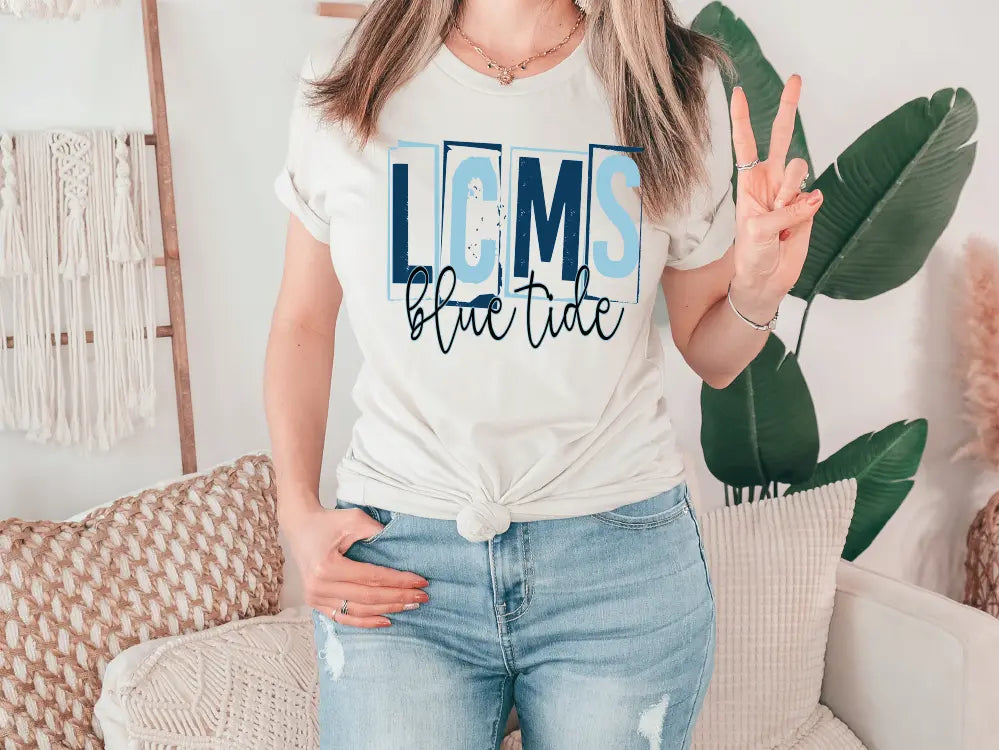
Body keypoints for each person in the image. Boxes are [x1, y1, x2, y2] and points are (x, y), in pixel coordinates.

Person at [265, 0, 821, 747]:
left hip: (618, 569)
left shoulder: (670, 84)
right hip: (400, 561)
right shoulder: (349, 75)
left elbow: (710, 353)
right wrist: (296, 515)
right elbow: (302, 321)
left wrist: (756, 291)